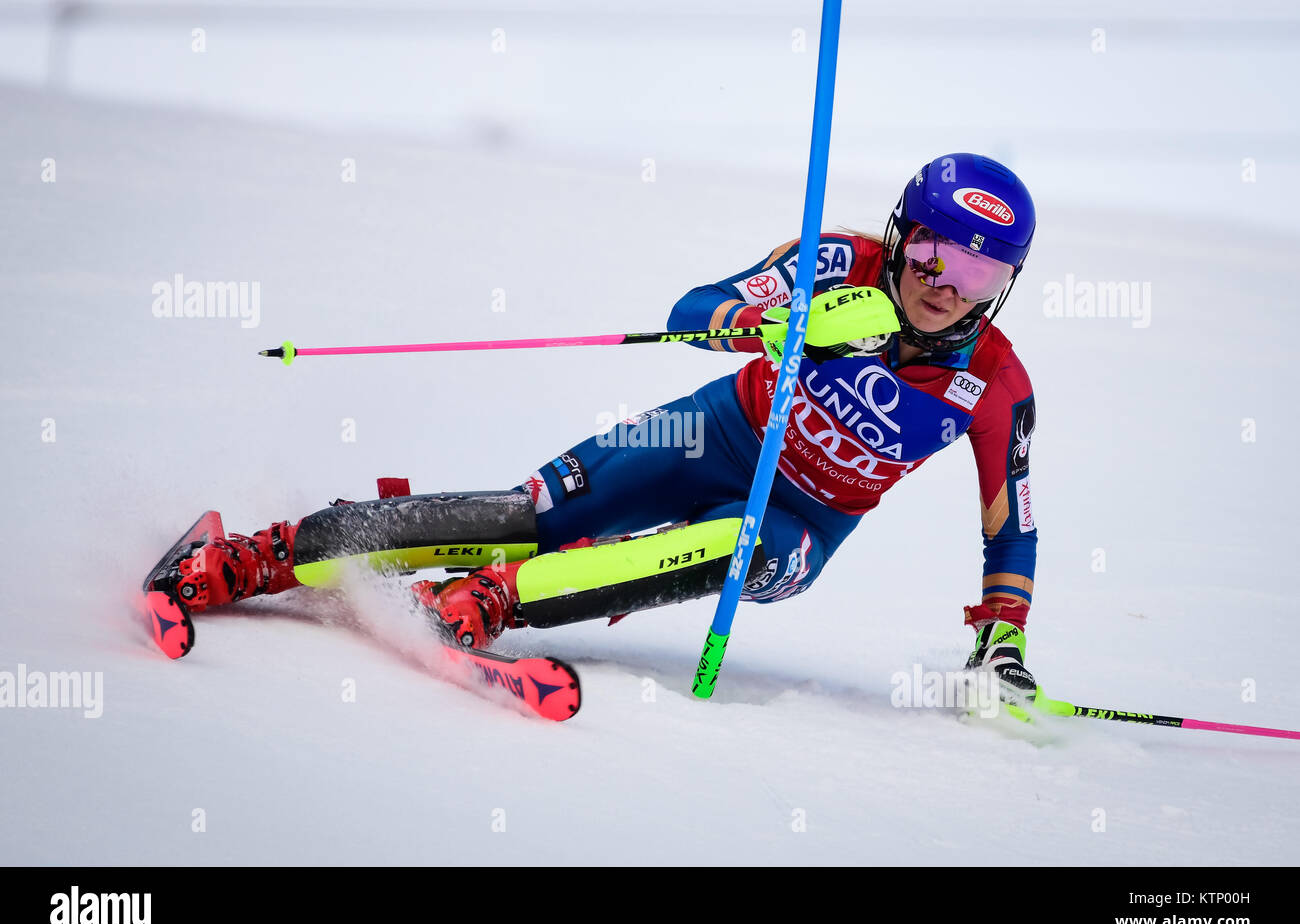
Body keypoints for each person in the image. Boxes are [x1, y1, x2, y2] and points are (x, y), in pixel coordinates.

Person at [161, 152, 1040, 702]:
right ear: (904, 233)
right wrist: (771, 323)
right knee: (531, 513)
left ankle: (490, 602)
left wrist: (1002, 639)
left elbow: (1013, 527)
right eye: (933, 250)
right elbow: (697, 307)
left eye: (978, 267)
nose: (946, 283)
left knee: (747, 544)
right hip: (717, 432)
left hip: (803, 524)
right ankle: (262, 553)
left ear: (1002, 282)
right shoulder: (843, 262)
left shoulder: (995, 380)